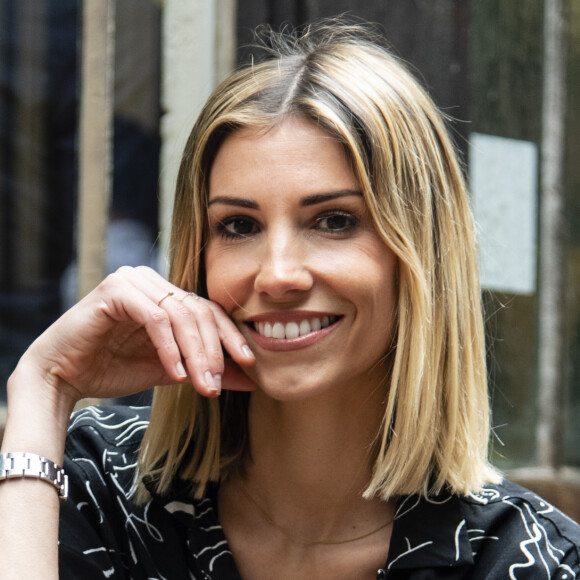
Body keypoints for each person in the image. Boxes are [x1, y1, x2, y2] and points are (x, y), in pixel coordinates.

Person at [1, 21, 579, 580]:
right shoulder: (98, 490)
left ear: (422, 255)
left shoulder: (529, 561)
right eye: (238, 227)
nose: (277, 275)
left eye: (333, 220)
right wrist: (43, 388)